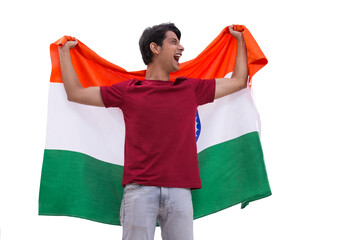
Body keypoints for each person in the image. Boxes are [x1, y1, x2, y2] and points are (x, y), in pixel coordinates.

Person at [58, 22, 248, 240]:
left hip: (180, 192)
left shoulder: (189, 89)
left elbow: (239, 81)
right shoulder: (128, 91)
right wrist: (64, 52)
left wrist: (239, 40)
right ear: (155, 48)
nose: (181, 48)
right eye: (173, 42)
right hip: (139, 191)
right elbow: (75, 93)